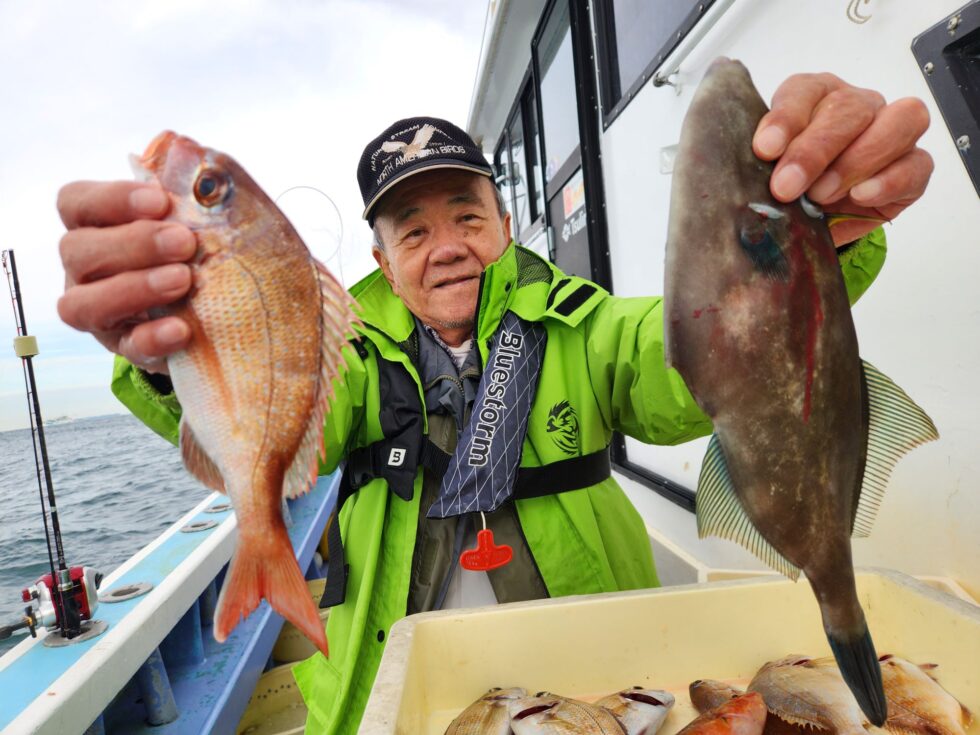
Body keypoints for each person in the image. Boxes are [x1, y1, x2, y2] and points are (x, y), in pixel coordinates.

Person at [57, 73, 932, 734]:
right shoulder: (349, 356)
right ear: (382, 255)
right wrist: (175, 355)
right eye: (414, 229)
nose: (447, 247)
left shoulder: (586, 327)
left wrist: (819, 239)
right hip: (406, 692)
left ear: (505, 223)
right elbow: (287, 435)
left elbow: (686, 364)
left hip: (600, 687)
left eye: (465, 214)